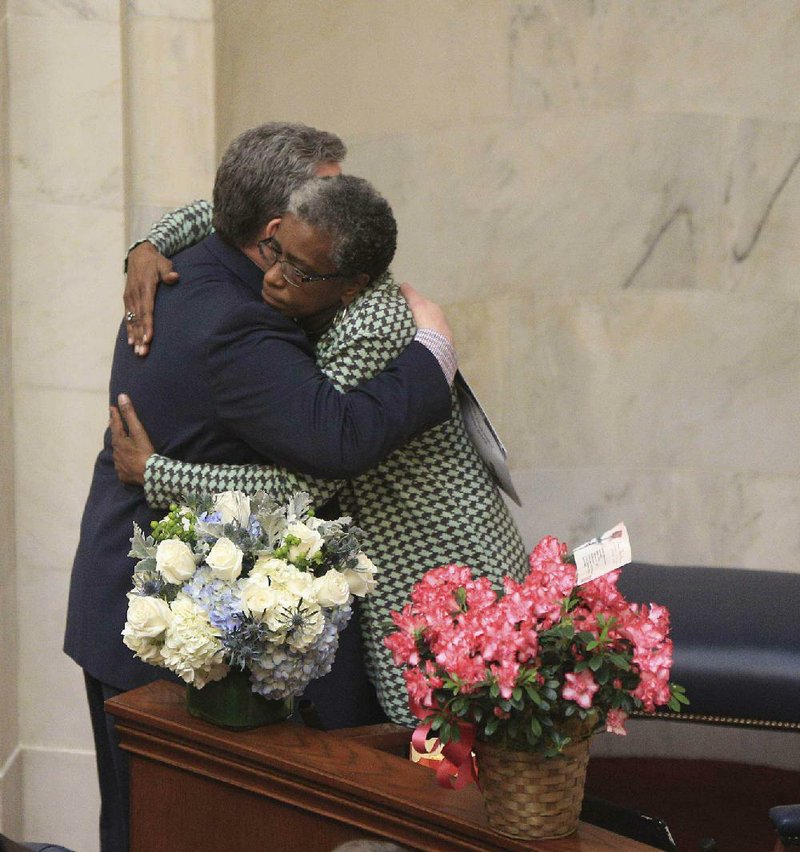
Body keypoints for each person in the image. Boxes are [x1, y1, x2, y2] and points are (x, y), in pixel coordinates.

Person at [64, 122, 455, 852]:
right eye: (328, 195)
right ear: (277, 230)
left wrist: (146, 241)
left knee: (136, 827)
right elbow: (337, 443)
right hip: (170, 630)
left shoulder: (180, 259)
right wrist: (434, 354)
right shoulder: (241, 328)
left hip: (125, 592)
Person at [113, 175, 528, 733]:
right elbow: (227, 209)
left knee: (459, 765)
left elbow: (302, 486)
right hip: (410, 562)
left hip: (448, 568)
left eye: (299, 271)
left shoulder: (371, 330)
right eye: (275, 252)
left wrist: (158, 473)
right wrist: (149, 244)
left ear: (352, 285)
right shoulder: (318, 270)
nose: (275, 276)